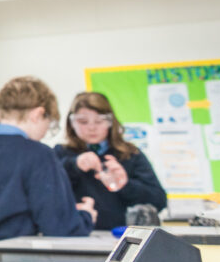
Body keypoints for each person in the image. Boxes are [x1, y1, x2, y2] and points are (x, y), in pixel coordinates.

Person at [0, 76, 97, 261]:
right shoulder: (39, 154)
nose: (45, 133)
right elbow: (60, 228)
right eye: (49, 125)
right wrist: (86, 216)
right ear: (38, 114)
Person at [55, 91, 167, 230]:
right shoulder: (60, 153)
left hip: (120, 236)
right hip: (74, 235)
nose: (92, 127)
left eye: (99, 121)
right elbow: (48, 193)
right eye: (83, 122)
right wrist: (74, 165)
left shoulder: (129, 154)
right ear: (71, 123)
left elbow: (159, 201)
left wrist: (125, 184)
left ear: (110, 122)